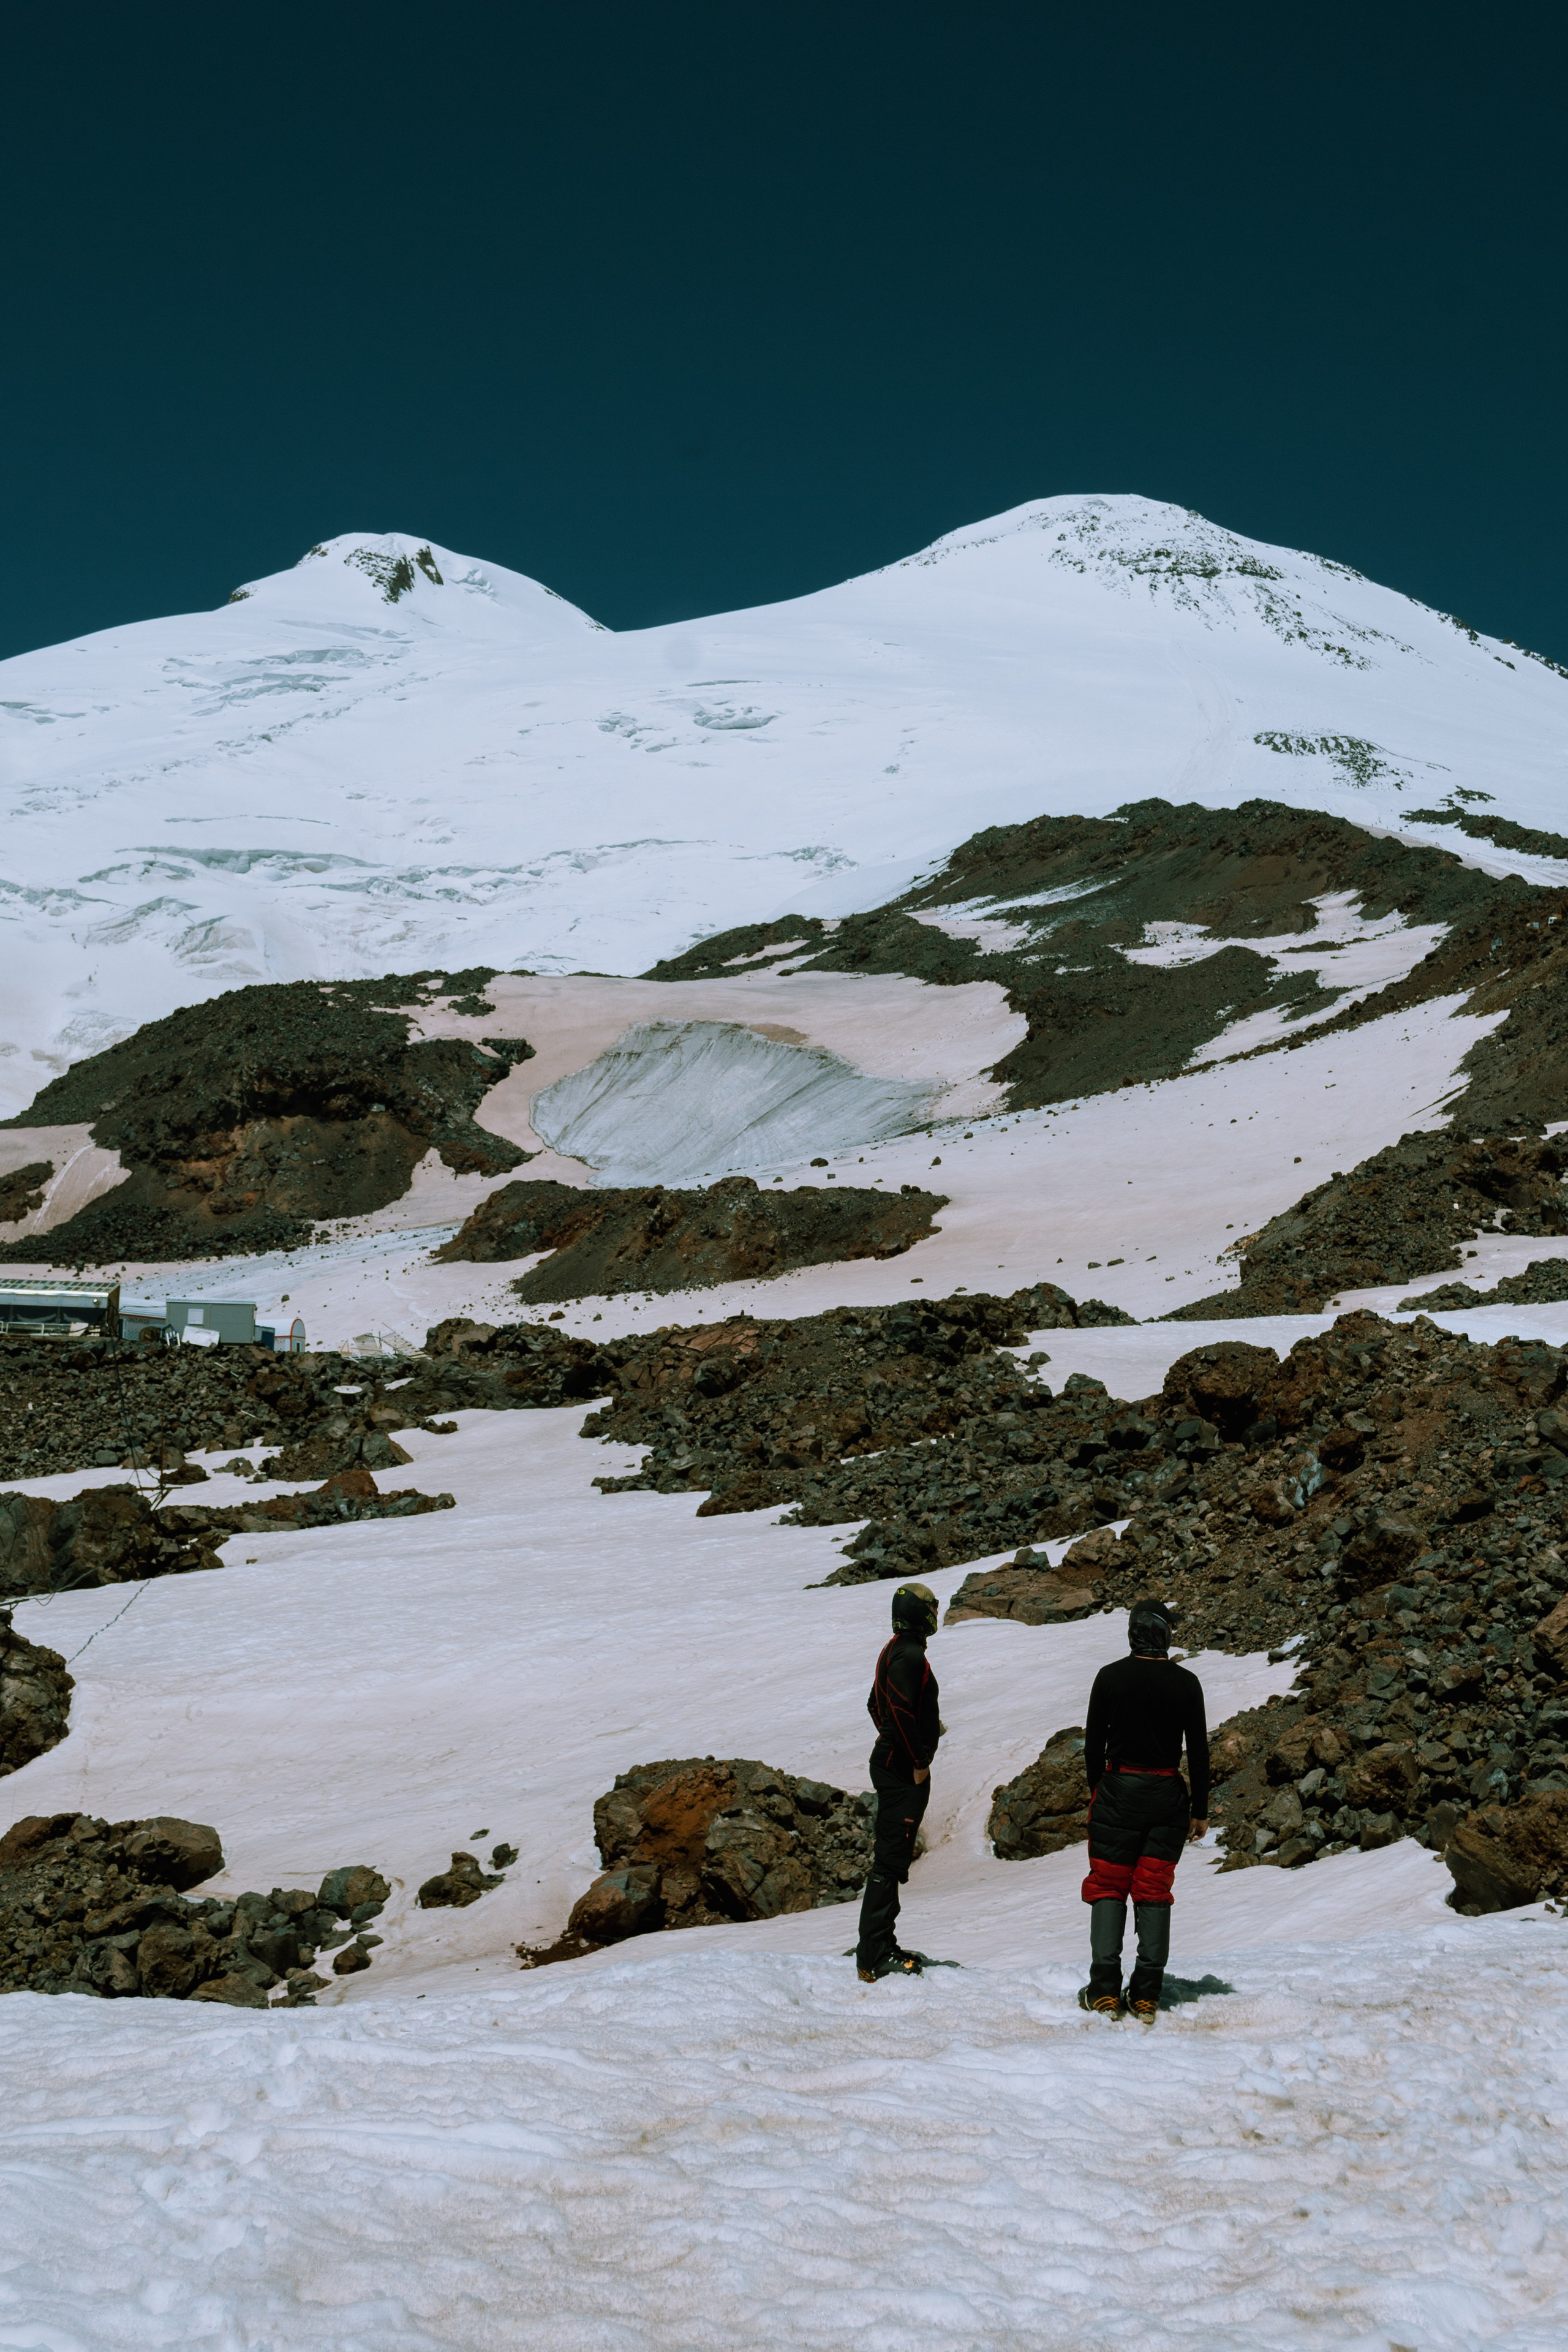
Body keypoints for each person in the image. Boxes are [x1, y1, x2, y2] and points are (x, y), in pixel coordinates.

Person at [1079, 1597, 1209, 2022]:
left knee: (1109, 1884)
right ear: (1164, 1633)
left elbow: (1093, 1745)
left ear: (1134, 1631)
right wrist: (1200, 1809)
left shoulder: (1109, 1677)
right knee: (1153, 1888)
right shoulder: (1187, 1683)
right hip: (1167, 1794)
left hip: (1118, 1790)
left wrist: (1101, 1790)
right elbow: (1199, 1752)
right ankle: (1146, 1995)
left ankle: (1104, 1993)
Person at [855, 1580, 943, 1980]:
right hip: (901, 1770)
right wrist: (918, 1760)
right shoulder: (910, 1655)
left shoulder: (896, 1649)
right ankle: (874, 1954)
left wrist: (891, 1738)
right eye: (932, 1606)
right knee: (890, 1861)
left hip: (892, 1762)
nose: (936, 1612)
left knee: (891, 1857)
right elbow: (902, 1710)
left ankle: (881, 1942)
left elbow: (876, 1705)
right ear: (918, 1613)